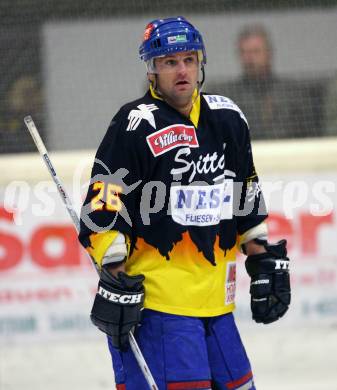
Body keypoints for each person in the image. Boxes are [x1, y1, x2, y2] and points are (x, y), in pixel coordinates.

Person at [79, 17, 291, 390]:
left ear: (201, 64)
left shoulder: (228, 119)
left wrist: (260, 257)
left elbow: (246, 192)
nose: (182, 70)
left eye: (189, 60)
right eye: (170, 62)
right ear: (152, 70)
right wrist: (113, 269)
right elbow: (105, 198)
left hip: (218, 306)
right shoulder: (135, 124)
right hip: (161, 307)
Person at [207, 24, 320, 140]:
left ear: (269, 53)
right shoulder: (225, 96)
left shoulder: (293, 93)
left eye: (255, 52)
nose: (249, 58)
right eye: (244, 52)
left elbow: (310, 137)